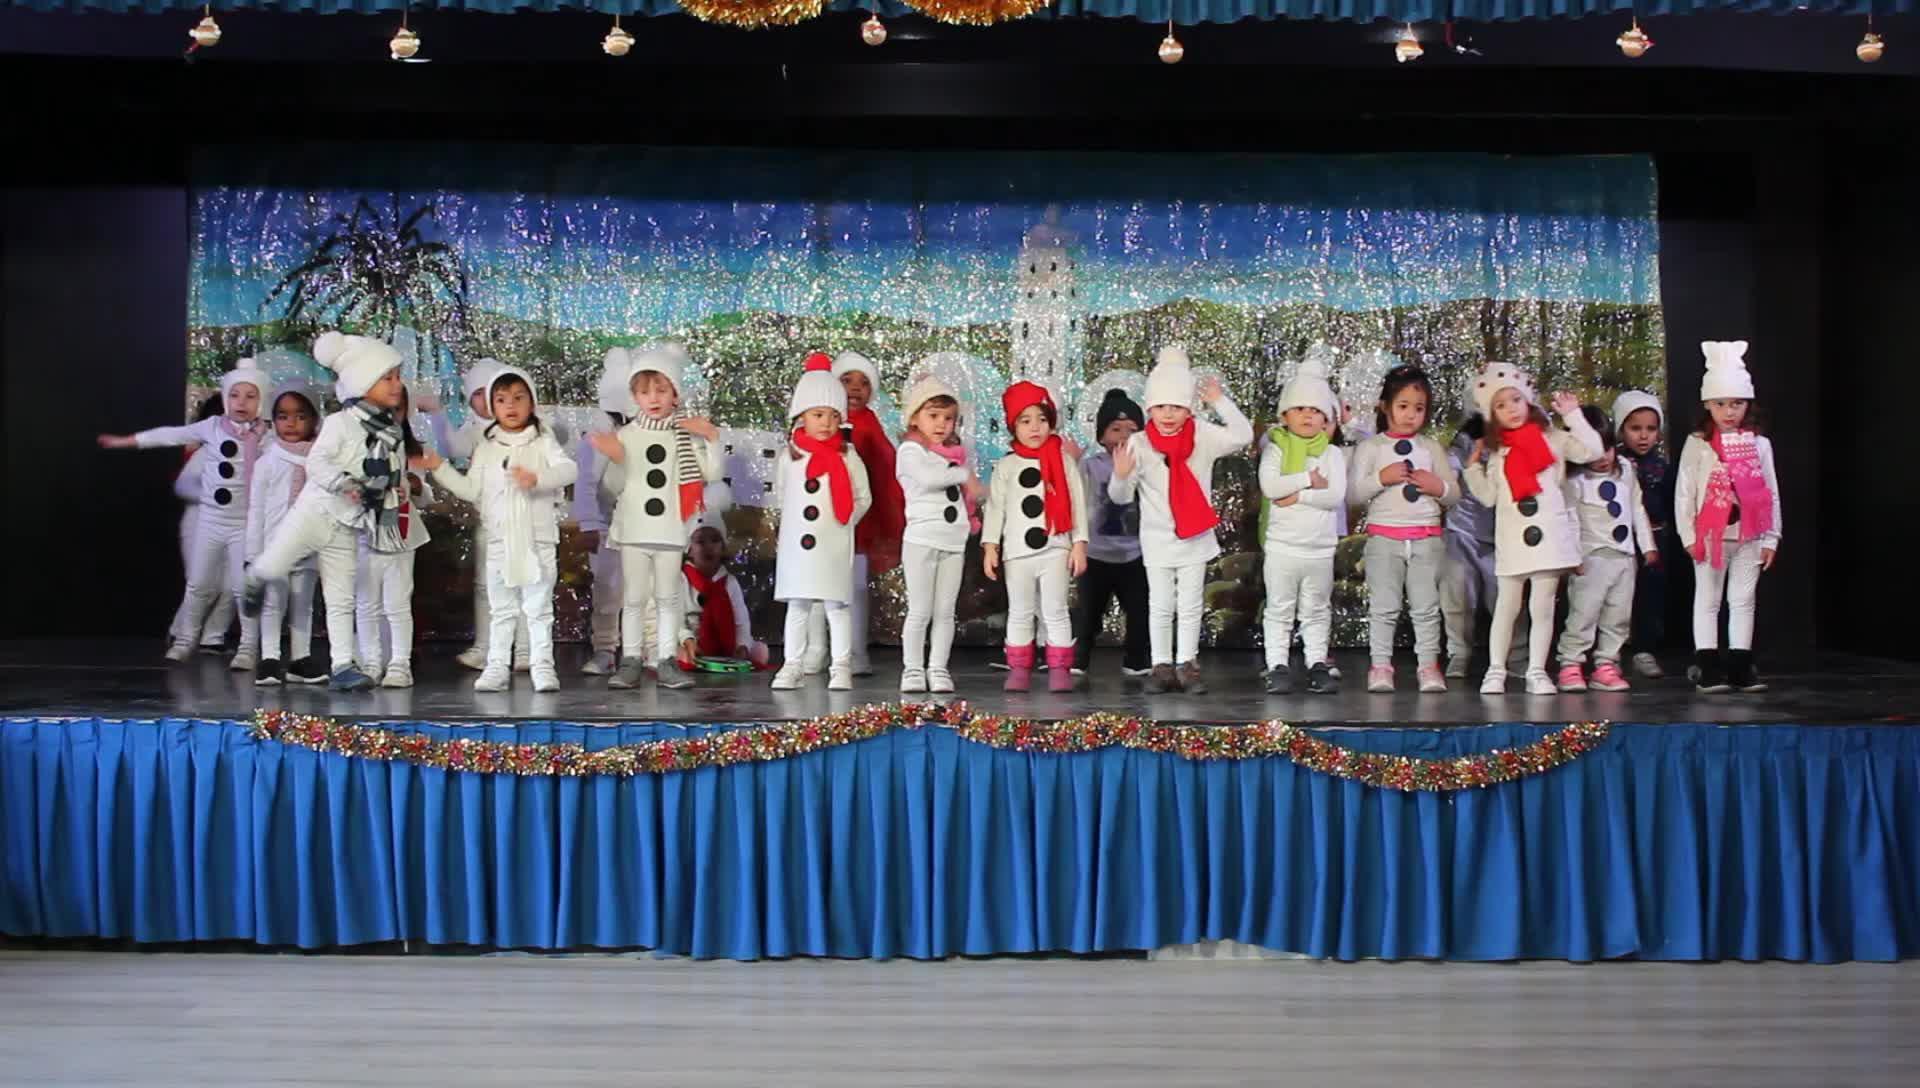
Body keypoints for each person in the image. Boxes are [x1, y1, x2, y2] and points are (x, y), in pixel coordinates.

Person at [242, 333, 408, 692]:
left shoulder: (391, 431)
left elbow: (393, 471)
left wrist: (394, 489)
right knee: (277, 561)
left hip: (347, 524)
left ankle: (343, 665)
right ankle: (256, 577)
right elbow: (316, 463)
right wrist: (343, 483)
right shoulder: (339, 423)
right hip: (314, 512)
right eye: (387, 377)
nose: (397, 384)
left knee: (340, 596)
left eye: (398, 376)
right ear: (363, 381)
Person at [100, 358, 272, 668]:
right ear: (225, 397)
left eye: (250, 396)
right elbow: (170, 434)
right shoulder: (212, 427)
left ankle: (248, 647)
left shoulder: (266, 437)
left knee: (242, 588)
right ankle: (184, 640)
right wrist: (128, 441)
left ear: (261, 401)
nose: (241, 402)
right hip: (210, 520)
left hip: (246, 524)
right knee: (198, 584)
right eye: (235, 395)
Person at [418, 367, 578, 693]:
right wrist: (440, 468)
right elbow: (471, 490)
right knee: (501, 609)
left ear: (531, 403)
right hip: (500, 540)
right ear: (492, 406)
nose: (511, 406)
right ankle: (496, 667)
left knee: (538, 608)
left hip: (537, 539)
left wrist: (538, 479)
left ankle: (542, 666)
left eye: (519, 398)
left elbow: (568, 469)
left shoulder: (543, 441)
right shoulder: (487, 448)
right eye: (502, 400)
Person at [1109, 346, 1253, 695]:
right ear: (1149, 408)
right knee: (1160, 605)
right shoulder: (1139, 443)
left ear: (1189, 408)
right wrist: (1121, 476)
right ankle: (1161, 667)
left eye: (1176, 406)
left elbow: (1243, 435)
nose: (1168, 414)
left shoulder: (1203, 434)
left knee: (1190, 605)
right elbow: (1121, 497)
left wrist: (1220, 401)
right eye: (1161, 406)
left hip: (1194, 536)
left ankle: (1187, 665)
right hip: (1158, 539)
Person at [1461, 362, 1600, 695]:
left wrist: (1573, 416)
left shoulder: (1553, 439)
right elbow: (1489, 497)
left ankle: (1537, 670)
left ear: (1528, 401)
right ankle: (1496, 669)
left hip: (1549, 536)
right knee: (1507, 606)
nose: (1511, 409)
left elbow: (1592, 451)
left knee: (1542, 605)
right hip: (1513, 540)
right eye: (1501, 405)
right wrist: (1473, 470)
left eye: (1516, 400)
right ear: (1492, 414)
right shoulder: (1499, 452)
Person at [590, 343, 721, 692]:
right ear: (634, 396)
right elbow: (612, 488)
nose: (653, 398)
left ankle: (665, 660)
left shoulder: (683, 436)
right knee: (633, 599)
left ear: (675, 394)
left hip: (670, 530)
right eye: (645, 391)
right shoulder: (627, 435)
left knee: (668, 599)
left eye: (661, 390)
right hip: (634, 529)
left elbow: (710, 472)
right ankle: (631, 659)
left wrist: (711, 438)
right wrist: (617, 458)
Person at [1674, 340, 1780, 694]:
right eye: (1720, 403)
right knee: (1708, 599)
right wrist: (1688, 535)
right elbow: (1685, 491)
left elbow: (1770, 492)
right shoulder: (1698, 443)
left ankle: (1740, 666)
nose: (1729, 411)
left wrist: (1772, 536)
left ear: (1748, 404)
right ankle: (1707, 666)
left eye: (1737, 403)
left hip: (1750, 533)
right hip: (1710, 535)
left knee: (1743, 599)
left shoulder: (1760, 444)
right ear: (1708, 404)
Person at [1346, 364, 1459, 693]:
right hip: (1384, 539)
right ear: (1385, 406)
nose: (1411, 415)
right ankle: (1381, 666)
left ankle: (1428, 667)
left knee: (1426, 608)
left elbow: (1454, 495)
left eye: (1419, 408)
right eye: (1403, 406)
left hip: (1426, 539)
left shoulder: (1431, 448)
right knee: (1384, 607)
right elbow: (1353, 496)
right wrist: (1382, 478)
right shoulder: (1371, 448)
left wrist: (1437, 486)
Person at [770, 353, 873, 691]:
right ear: (801, 415)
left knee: (837, 606)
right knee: (798, 606)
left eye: (833, 415)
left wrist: (844, 523)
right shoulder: (790, 456)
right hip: (798, 548)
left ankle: (840, 665)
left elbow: (863, 497)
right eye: (818, 415)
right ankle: (792, 664)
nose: (826, 423)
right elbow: (783, 494)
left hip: (833, 544)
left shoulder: (848, 456)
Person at [422, 358, 527, 673]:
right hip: (489, 521)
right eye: (477, 394)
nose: (484, 400)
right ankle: (486, 647)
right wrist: (438, 415)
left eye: (489, 392)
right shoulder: (473, 432)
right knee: (486, 586)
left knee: (525, 584)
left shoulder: (529, 430)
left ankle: (525, 649)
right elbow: (452, 449)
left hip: (524, 521)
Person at [983, 381, 1089, 693]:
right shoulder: (1007, 465)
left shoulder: (1063, 461)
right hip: (1017, 552)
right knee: (1020, 611)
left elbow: (1076, 503)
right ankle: (1019, 668)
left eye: (1042, 419)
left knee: (1055, 610)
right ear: (1013, 426)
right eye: (1025, 420)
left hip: (1056, 547)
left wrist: (1079, 544)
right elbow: (996, 508)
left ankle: (1059, 669)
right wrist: (990, 546)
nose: (1035, 427)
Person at [1258, 352, 1347, 695]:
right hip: (1283, 547)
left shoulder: (1332, 454)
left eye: (1315, 410)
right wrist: (1309, 479)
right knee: (1279, 609)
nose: (1308, 415)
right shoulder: (1276, 450)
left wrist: (1297, 494)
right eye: (1300, 408)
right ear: (1285, 415)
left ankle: (1317, 663)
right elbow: (1271, 487)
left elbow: (1334, 495)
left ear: (1326, 418)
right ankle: (1277, 665)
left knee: (1316, 610)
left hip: (1320, 549)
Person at [1555, 406, 1657, 692]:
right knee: (1583, 614)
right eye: (1594, 451)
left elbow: (1637, 508)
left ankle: (1606, 664)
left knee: (1618, 616)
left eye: (1607, 448)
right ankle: (1571, 663)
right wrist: (1573, 556)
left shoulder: (1625, 471)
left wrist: (1647, 545)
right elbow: (1570, 519)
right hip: (1591, 558)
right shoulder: (1574, 481)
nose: (1602, 458)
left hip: (1624, 557)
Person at [893, 373, 982, 694]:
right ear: (915, 418)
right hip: (921, 541)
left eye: (948, 418)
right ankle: (913, 669)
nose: (941, 424)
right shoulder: (911, 451)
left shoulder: (953, 456)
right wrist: (963, 474)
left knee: (945, 611)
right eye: (933, 416)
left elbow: (966, 493)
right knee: (920, 610)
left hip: (952, 540)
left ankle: (939, 667)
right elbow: (928, 478)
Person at [246, 382, 328, 686]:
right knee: (273, 601)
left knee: (303, 602)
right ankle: (269, 657)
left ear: (314, 419)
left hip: (308, 544)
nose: (291, 423)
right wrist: (252, 554)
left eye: (300, 416)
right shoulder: (268, 461)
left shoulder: (321, 461)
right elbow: (256, 510)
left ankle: (300, 658)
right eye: (283, 416)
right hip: (274, 544)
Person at [353, 386, 434, 689]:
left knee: (397, 603)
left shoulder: (411, 450)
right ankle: (371, 661)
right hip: (364, 533)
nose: (388, 415)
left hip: (401, 534)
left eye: (396, 409)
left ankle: (400, 663)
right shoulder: (354, 445)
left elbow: (424, 496)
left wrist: (417, 487)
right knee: (366, 602)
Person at [833, 352, 905, 677]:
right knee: (820, 586)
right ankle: (819, 651)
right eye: (847, 380)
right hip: (825, 519)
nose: (855, 388)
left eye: (863, 383)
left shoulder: (870, 423)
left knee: (856, 587)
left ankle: (856, 651)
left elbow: (886, 466)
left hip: (861, 520)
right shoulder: (823, 420)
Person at [1075, 388, 1151, 681]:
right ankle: (1079, 658)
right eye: (1115, 429)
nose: (1123, 436)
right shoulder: (1090, 466)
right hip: (1096, 554)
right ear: (1101, 435)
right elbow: (1072, 494)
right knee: (1088, 613)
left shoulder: (1146, 465)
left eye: (1131, 430)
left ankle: (1137, 659)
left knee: (1139, 610)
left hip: (1135, 553)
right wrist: (1071, 461)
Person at [574, 351, 632, 675]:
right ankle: (605, 650)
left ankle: (648, 653)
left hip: (644, 524)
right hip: (607, 526)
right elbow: (586, 481)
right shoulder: (598, 436)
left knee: (647, 594)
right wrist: (589, 524)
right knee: (608, 590)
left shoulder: (652, 431)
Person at [165, 393, 237, 656]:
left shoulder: (253, 452)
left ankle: (213, 637)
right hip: (200, 521)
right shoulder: (207, 452)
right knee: (204, 581)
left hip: (236, 525)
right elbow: (183, 485)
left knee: (232, 584)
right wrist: (214, 498)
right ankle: (179, 632)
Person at [1612, 389, 1675, 679]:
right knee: (1615, 595)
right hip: (1619, 539)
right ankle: (1610, 651)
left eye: (1650, 429)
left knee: (1649, 596)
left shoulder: (1662, 468)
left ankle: (1644, 649)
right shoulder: (1613, 464)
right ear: (1620, 429)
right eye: (1635, 428)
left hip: (1655, 539)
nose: (1643, 436)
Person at [672, 502, 769, 668]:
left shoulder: (729, 582)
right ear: (689, 550)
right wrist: (688, 641)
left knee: (760, 652)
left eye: (715, 540)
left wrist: (742, 646)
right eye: (700, 542)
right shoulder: (681, 580)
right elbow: (677, 620)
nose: (708, 547)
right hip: (693, 640)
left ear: (723, 547)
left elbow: (741, 622)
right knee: (675, 653)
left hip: (725, 641)